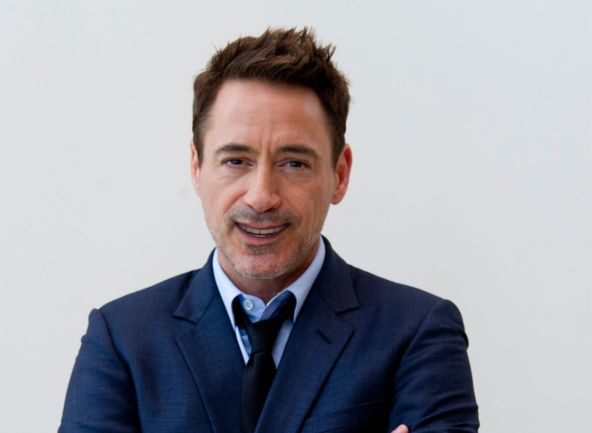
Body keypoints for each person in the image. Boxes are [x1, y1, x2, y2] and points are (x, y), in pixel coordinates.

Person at [59, 28, 479, 433]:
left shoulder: (417, 331)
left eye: (294, 163)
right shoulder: (121, 338)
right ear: (197, 167)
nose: (261, 197)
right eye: (235, 161)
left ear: (340, 174)